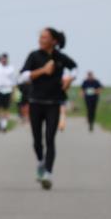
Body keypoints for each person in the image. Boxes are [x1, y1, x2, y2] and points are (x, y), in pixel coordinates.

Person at [19, 28, 78, 190]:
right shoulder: (34, 56)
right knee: (37, 140)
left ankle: (48, 174)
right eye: (40, 37)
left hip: (54, 103)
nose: (41, 39)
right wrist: (42, 71)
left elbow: (74, 67)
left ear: (54, 41)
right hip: (36, 102)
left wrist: (70, 79)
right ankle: (40, 162)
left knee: (50, 139)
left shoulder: (60, 57)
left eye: (44, 37)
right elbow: (23, 76)